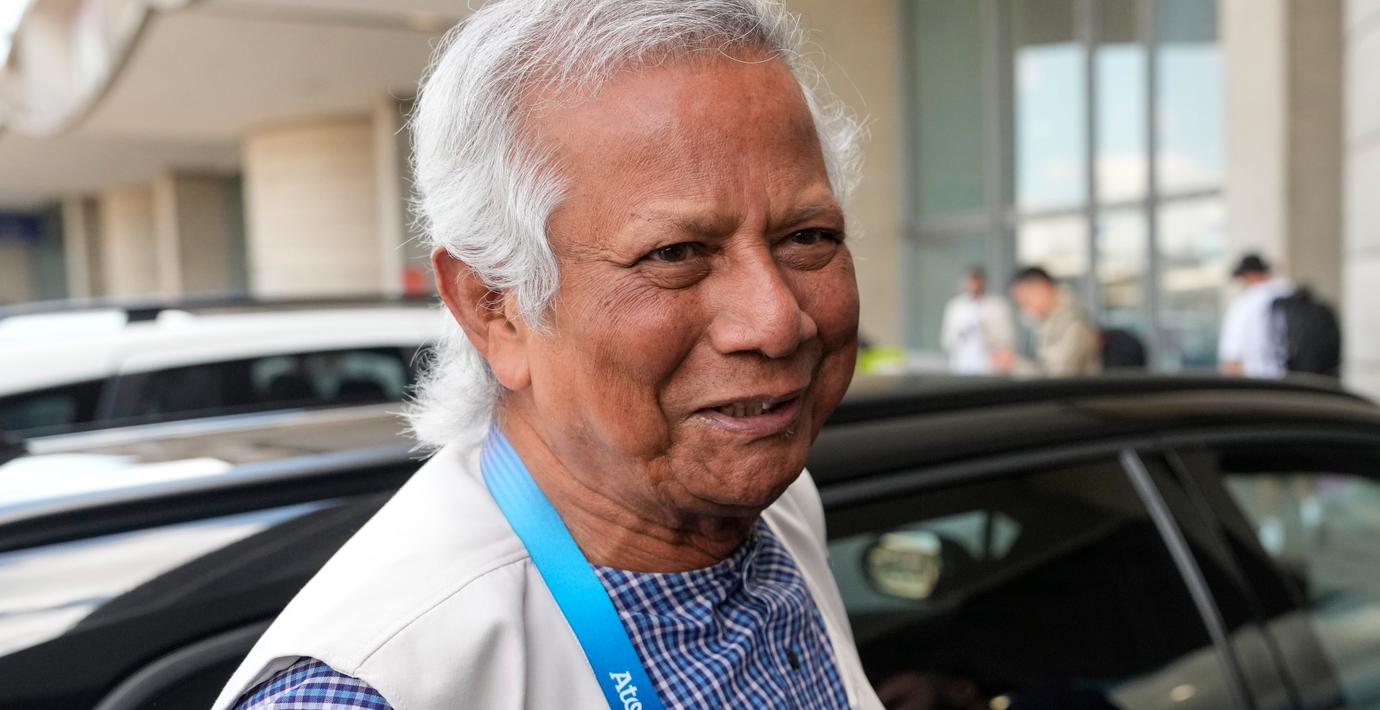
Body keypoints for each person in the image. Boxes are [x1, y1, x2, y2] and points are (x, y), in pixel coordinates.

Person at [213, 1, 882, 709]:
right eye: (675, 253)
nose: (777, 323)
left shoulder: (773, 500)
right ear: (495, 308)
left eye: (808, 237)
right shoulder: (368, 692)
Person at [993, 267, 1101, 377]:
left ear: (1043, 289)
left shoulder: (1073, 325)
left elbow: (1056, 377)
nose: (1024, 309)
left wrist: (1014, 364)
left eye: (1026, 301)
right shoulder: (1050, 324)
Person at [1219, 253, 1294, 378]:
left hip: (1261, 383)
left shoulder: (1243, 305)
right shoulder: (1291, 293)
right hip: (1301, 382)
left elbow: (1232, 361)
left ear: (1248, 276)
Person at [940, 267, 1015, 375]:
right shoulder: (955, 306)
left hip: (991, 365)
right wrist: (963, 333)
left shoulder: (998, 305)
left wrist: (986, 330)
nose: (973, 286)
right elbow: (947, 340)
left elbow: (1007, 339)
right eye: (970, 282)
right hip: (962, 364)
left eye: (976, 281)